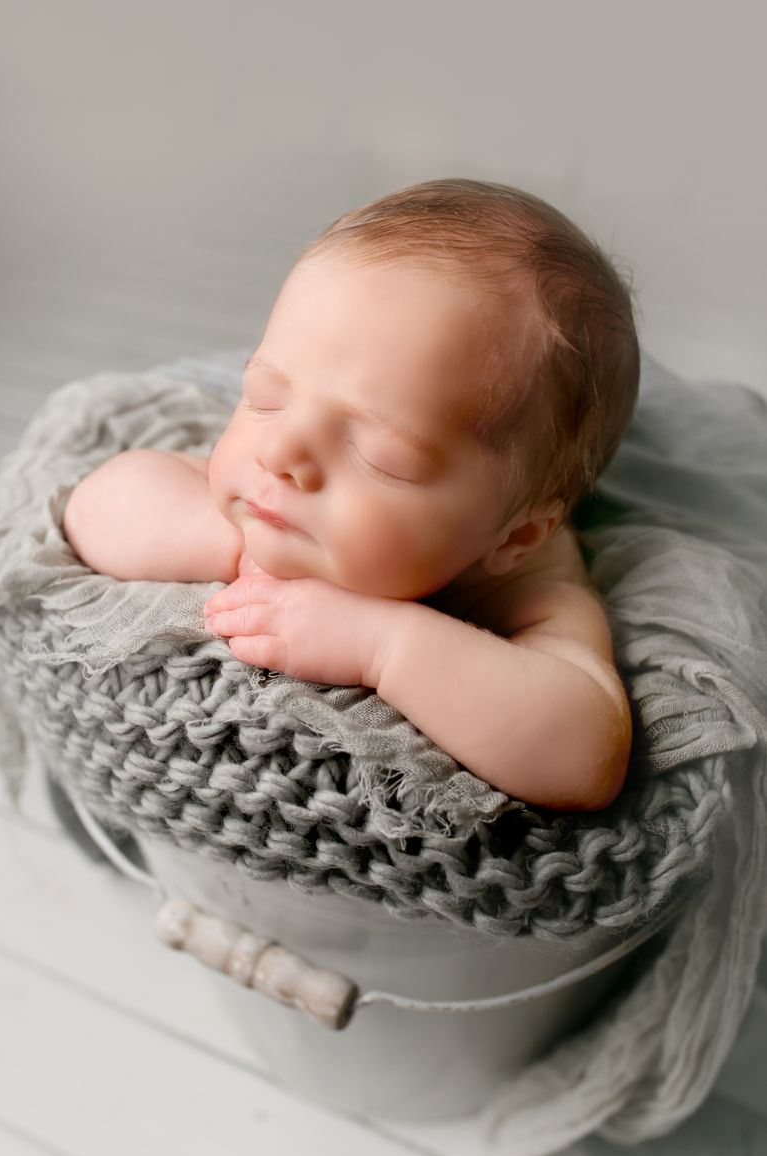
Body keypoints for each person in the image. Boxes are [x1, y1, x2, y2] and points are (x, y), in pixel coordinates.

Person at [62, 179, 640, 812]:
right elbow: (95, 505)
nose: (280, 453)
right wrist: (232, 545)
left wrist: (382, 644)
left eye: (380, 455)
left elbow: (583, 758)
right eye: (264, 398)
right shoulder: (266, 482)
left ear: (515, 536)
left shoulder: (526, 584)